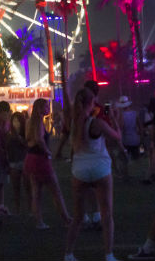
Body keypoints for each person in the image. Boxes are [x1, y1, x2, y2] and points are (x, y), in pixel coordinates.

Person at [63, 84, 124, 261]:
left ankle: (68, 253)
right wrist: (112, 117)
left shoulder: (72, 123)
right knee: (107, 215)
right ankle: (109, 254)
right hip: (100, 168)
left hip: (79, 171)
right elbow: (117, 136)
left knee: (78, 217)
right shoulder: (96, 123)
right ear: (92, 102)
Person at [24, 98, 71, 229]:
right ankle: (66, 218)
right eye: (45, 107)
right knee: (55, 190)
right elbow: (39, 139)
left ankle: (39, 222)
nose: (47, 109)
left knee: (36, 192)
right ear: (39, 108)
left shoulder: (29, 122)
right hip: (40, 158)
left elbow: (29, 139)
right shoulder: (38, 121)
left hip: (31, 157)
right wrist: (48, 152)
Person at [6, 111, 30, 214]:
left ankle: (30, 208)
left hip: (24, 161)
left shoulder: (26, 132)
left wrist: (20, 139)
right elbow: (7, 148)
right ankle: (17, 209)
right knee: (16, 188)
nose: (16, 123)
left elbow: (28, 145)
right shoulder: (9, 133)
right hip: (13, 163)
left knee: (27, 187)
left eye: (18, 121)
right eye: (14, 120)